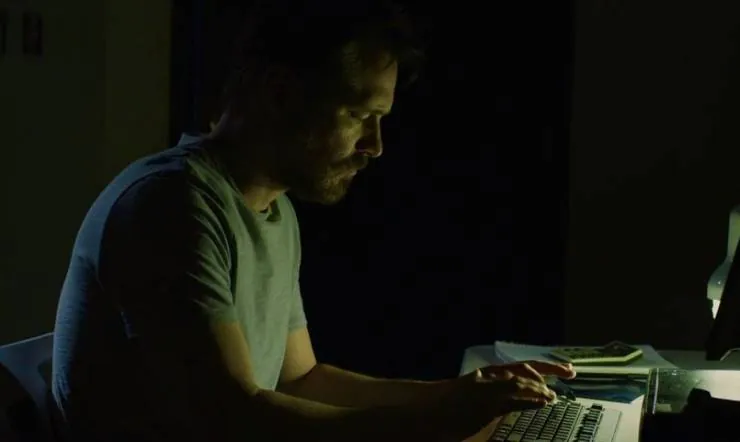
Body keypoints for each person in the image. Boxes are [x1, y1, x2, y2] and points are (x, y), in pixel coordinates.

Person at [51, 0, 576, 441]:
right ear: (279, 92)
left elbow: (302, 379)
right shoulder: (171, 205)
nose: (374, 146)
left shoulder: (273, 209)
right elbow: (235, 417)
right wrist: (435, 422)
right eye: (358, 115)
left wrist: (461, 394)